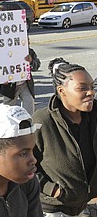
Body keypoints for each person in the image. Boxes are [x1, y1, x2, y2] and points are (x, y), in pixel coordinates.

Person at [33, 58, 97, 217]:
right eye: (82, 88)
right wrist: (52, 190)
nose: (90, 92)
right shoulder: (42, 121)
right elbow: (23, 164)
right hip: (55, 208)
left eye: (92, 87)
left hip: (86, 205)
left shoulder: (94, 114)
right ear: (62, 91)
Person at [0, 43, 40, 115]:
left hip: (25, 84)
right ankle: (7, 122)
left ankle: (28, 122)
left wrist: (31, 61)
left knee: (29, 102)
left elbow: (36, 66)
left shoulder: (29, 52)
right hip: (10, 86)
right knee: (8, 106)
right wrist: (2, 79)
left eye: (28, 41)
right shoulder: (5, 52)